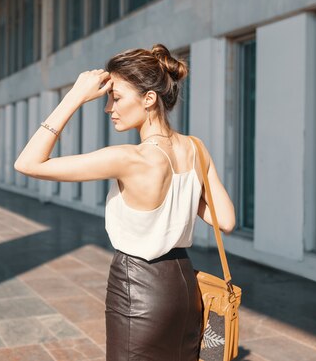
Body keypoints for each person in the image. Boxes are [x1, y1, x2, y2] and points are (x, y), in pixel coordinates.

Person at [14, 43, 236, 360]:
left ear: (149, 99)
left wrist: (74, 96)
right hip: (185, 286)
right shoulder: (195, 148)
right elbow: (225, 221)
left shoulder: (128, 158)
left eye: (115, 97)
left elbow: (27, 163)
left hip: (137, 287)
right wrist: (181, 194)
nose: (108, 108)